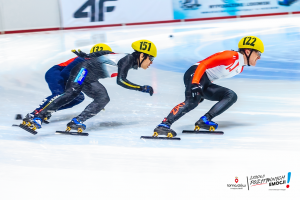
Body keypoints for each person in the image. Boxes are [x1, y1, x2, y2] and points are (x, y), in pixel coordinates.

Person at [22, 39, 156, 134]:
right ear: (142, 55)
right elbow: (121, 81)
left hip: (90, 77)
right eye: (151, 58)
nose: (151, 62)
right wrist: (141, 88)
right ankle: (37, 116)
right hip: (83, 70)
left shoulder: (124, 58)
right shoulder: (127, 59)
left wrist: (88, 55)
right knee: (71, 93)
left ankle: (77, 121)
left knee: (103, 98)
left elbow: (103, 52)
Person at [153, 36, 264, 138]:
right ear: (248, 51)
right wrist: (196, 83)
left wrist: (203, 88)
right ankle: (163, 125)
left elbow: (213, 74)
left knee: (231, 95)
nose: (259, 57)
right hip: (195, 73)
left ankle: (205, 120)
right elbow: (203, 64)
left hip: (205, 80)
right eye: (258, 53)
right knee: (192, 102)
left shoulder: (240, 68)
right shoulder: (231, 56)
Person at [22, 44, 112, 124]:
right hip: (56, 72)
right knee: (60, 94)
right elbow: (65, 73)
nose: (107, 58)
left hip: (66, 76)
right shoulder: (83, 60)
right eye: (105, 55)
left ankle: (48, 111)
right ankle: (35, 114)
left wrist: (96, 98)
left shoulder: (96, 64)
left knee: (78, 98)